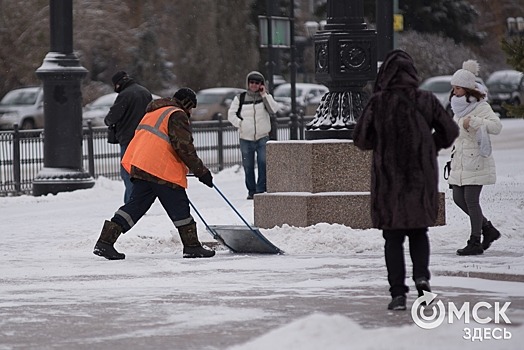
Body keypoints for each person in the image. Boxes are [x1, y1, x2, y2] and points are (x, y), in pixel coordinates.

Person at [353, 50, 459, 311]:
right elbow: (450, 129)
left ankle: (398, 293)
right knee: (419, 231)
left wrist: (384, 143)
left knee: (393, 238)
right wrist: (429, 146)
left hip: (389, 180)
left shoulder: (378, 103)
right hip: (419, 178)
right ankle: (422, 277)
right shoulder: (425, 99)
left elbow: (361, 139)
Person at [93, 88, 215, 260]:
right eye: (191, 107)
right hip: (160, 169)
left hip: (142, 166)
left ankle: (104, 242)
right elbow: (184, 147)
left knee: (134, 207)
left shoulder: (155, 112)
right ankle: (192, 247)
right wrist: (202, 172)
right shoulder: (177, 114)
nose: (190, 112)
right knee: (179, 206)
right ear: (187, 103)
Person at [447, 60, 503, 256]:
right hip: (461, 161)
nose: (454, 92)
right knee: (457, 198)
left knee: (471, 200)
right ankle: (488, 229)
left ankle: (475, 241)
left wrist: (476, 122)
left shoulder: (480, 107)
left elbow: (496, 127)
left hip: (477, 161)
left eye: (458, 88)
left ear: (468, 89)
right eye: (453, 88)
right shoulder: (458, 108)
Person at [227, 71, 280, 200]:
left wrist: (264, 94)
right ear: (248, 83)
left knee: (263, 163)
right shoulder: (241, 98)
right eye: (252, 82)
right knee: (248, 166)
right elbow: (231, 114)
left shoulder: (265, 97)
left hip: (262, 136)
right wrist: (241, 124)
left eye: (257, 83)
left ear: (261, 84)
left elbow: (274, 109)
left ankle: (261, 189)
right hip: (246, 138)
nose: (254, 85)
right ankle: (251, 191)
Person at [105, 71, 153, 204]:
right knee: (141, 173)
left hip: (129, 139)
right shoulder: (145, 92)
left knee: (127, 173)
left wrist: (109, 121)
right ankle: (139, 201)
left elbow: (113, 117)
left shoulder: (125, 95)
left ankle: (132, 203)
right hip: (144, 138)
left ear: (118, 84)